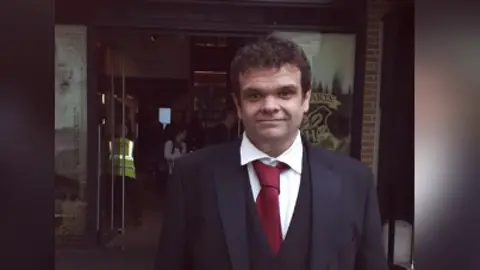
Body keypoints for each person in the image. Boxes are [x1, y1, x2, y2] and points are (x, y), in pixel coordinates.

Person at [155, 35, 387, 270]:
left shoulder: (355, 181)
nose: (270, 106)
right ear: (238, 104)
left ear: (305, 99)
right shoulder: (192, 177)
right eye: (254, 95)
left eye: (285, 93)